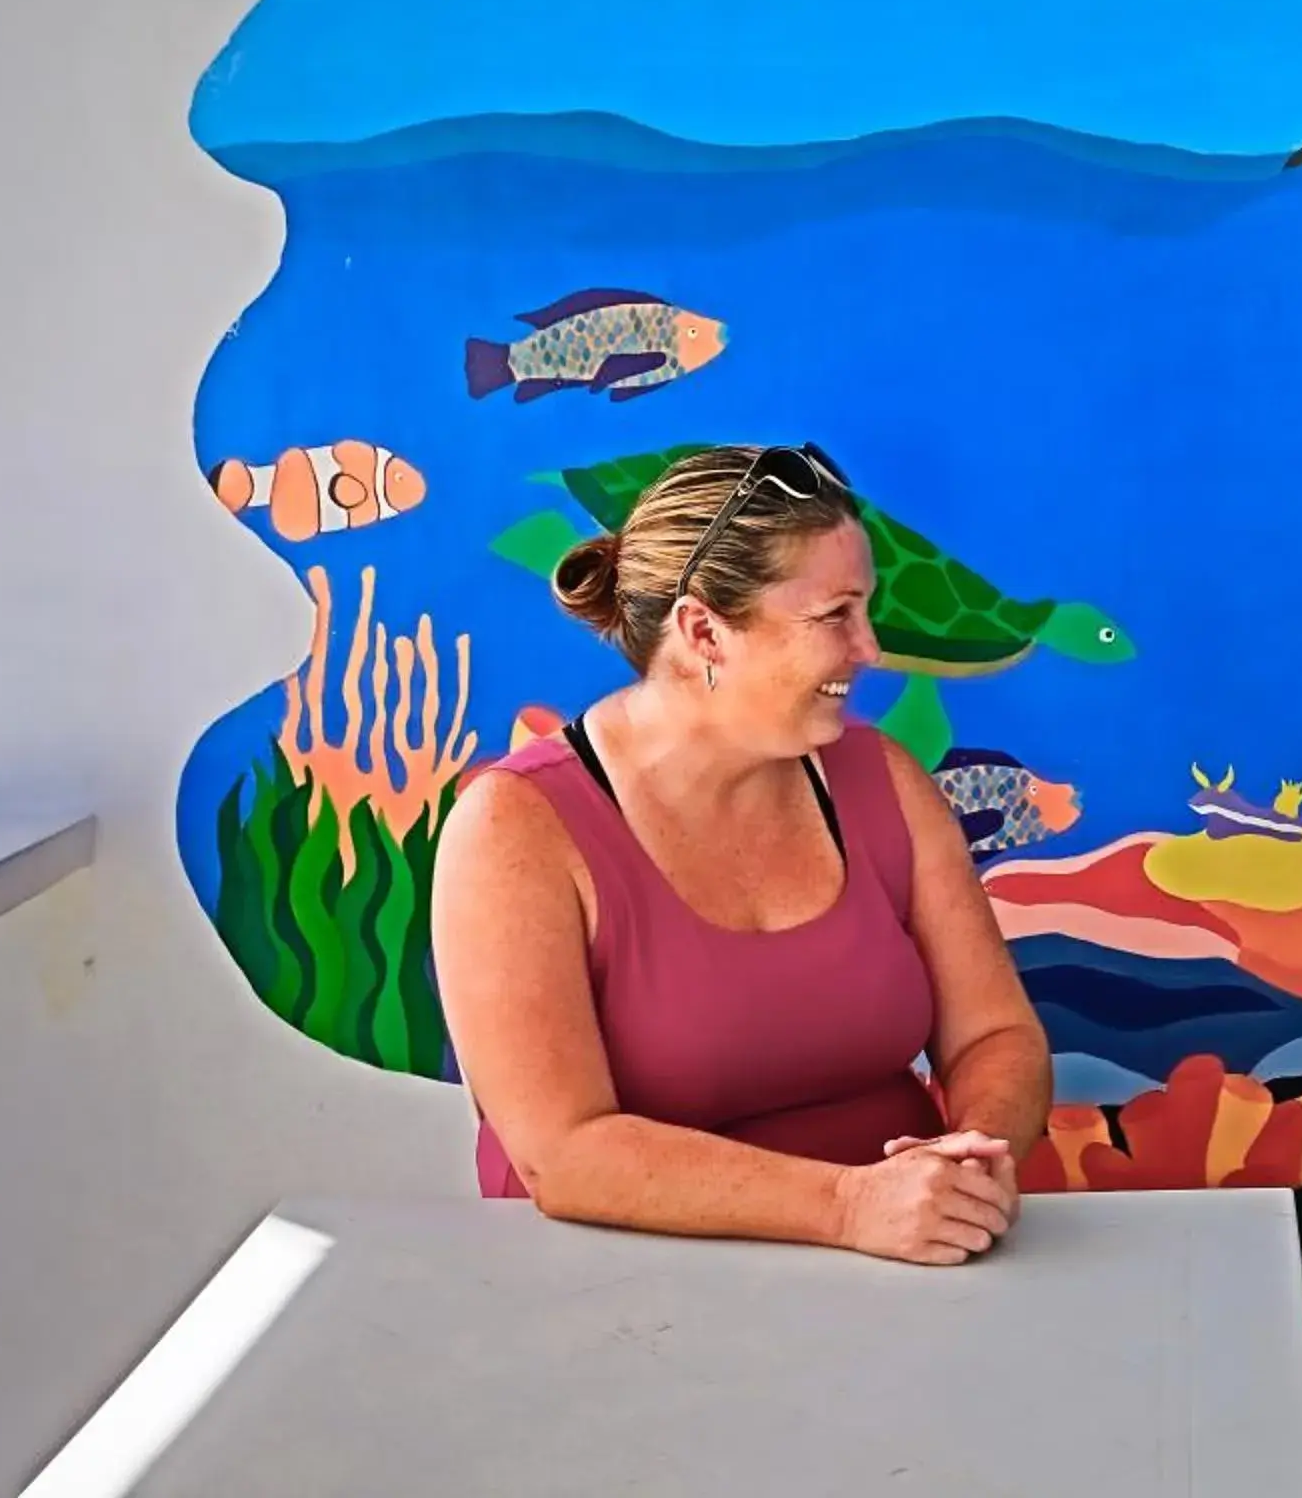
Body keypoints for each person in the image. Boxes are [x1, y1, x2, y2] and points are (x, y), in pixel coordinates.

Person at [434, 444, 1052, 1265]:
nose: (869, 648)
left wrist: (967, 1163)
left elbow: (996, 1036)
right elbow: (564, 1153)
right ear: (703, 633)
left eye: (866, 609)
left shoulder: (885, 779)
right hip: (614, 1298)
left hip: (902, 1268)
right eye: (835, 615)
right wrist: (847, 1206)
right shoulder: (513, 827)